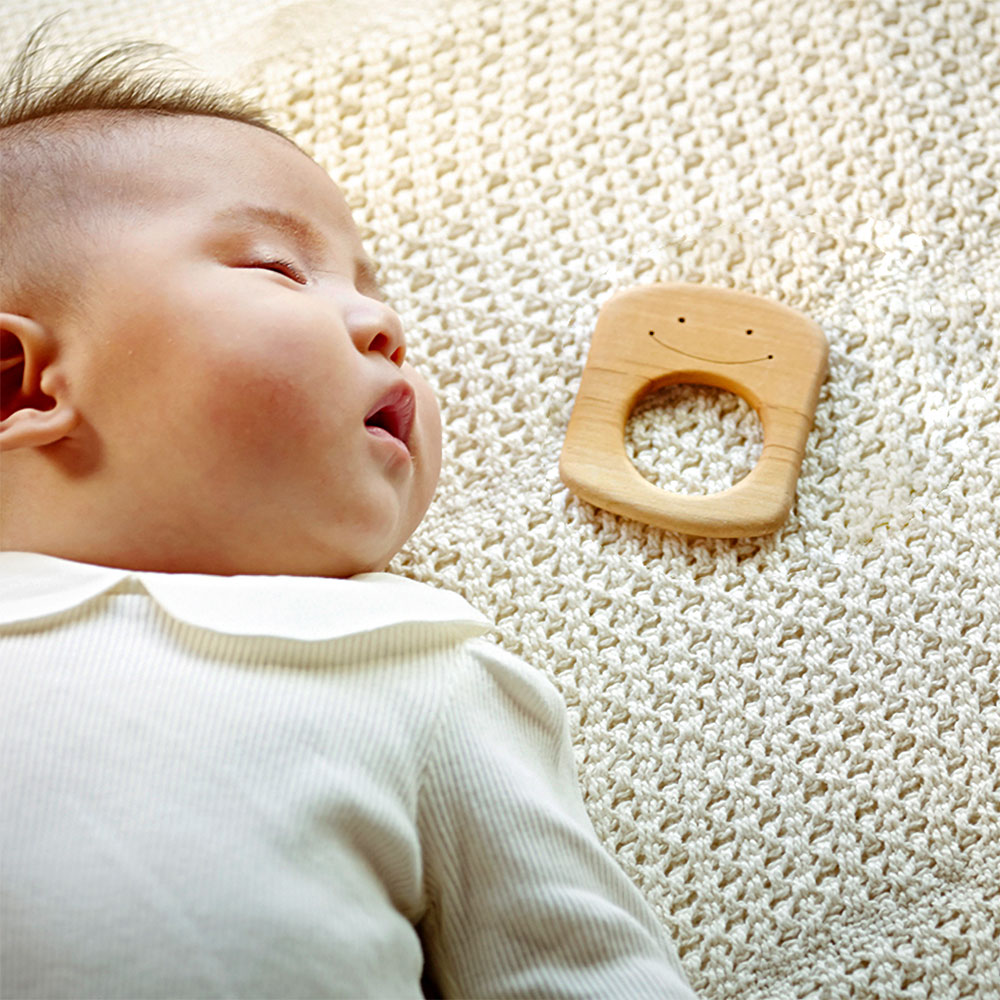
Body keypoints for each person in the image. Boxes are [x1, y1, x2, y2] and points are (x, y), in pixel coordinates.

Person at [0, 30, 698, 999]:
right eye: (279, 269)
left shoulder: (414, 665)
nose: (386, 328)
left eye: (370, 290)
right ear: (20, 385)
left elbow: (579, 973)